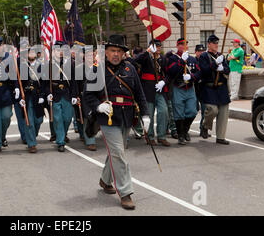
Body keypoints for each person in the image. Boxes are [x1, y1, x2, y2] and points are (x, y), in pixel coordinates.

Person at [84, 35, 149, 210]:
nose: (116, 54)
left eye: (119, 51)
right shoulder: (98, 70)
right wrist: (98, 107)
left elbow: (139, 93)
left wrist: (146, 115)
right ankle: (126, 192)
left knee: (116, 152)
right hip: (107, 118)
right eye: (113, 50)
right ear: (106, 52)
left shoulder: (130, 68)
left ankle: (105, 180)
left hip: (127, 116)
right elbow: (87, 95)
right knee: (119, 154)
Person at [134, 39, 170, 147]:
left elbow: (168, 74)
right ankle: (149, 137)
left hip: (159, 89)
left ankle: (162, 136)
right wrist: (148, 51)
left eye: (159, 46)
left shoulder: (163, 59)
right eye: (156, 46)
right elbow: (136, 60)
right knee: (149, 114)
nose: (158, 48)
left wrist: (164, 82)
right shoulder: (146, 57)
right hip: (148, 89)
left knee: (163, 111)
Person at [44, 40, 78, 153]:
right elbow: (46, 82)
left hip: (67, 94)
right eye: (58, 50)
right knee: (58, 119)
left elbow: (73, 81)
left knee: (67, 118)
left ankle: (63, 133)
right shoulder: (49, 65)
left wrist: (74, 95)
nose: (60, 52)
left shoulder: (70, 64)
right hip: (55, 95)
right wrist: (48, 93)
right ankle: (60, 141)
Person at [167, 38, 201, 145]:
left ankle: (185, 130)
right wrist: (181, 61)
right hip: (178, 87)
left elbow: (199, 73)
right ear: (177, 46)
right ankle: (180, 135)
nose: (183, 46)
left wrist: (191, 77)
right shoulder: (173, 58)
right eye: (181, 44)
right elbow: (171, 71)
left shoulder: (192, 59)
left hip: (189, 88)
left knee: (192, 111)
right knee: (179, 114)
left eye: (185, 44)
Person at [199, 35, 231, 144]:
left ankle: (220, 137)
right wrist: (215, 63)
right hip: (210, 87)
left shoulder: (221, 55)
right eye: (214, 43)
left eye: (217, 43)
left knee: (223, 112)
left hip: (221, 87)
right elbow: (204, 71)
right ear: (208, 44)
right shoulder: (204, 56)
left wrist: (223, 68)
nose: (216, 45)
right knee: (213, 109)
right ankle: (205, 125)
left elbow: (228, 69)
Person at [18, 47, 46, 153]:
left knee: (38, 120)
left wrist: (42, 96)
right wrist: (21, 98)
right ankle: (32, 144)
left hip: (37, 96)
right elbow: (19, 82)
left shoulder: (41, 66)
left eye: (34, 52)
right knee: (28, 120)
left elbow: (44, 83)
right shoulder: (22, 67)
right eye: (30, 52)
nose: (32, 54)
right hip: (27, 96)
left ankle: (32, 136)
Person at [194, 44, 209, 137]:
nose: (201, 53)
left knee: (205, 110)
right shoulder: (192, 61)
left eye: (203, 51)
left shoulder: (206, 61)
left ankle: (202, 129)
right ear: (196, 52)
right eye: (199, 51)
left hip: (203, 89)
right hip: (194, 89)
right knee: (193, 110)